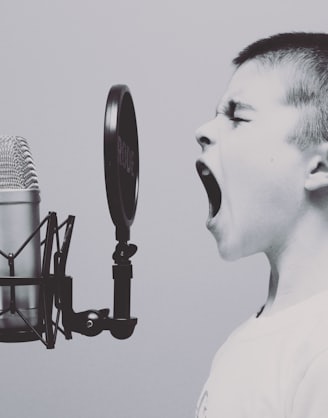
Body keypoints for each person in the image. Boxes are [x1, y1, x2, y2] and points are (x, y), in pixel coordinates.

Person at [195, 32, 328, 418]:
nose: (203, 130)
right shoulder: (241, 344)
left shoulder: (320, 349)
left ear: (319, 166)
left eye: (237, 116)